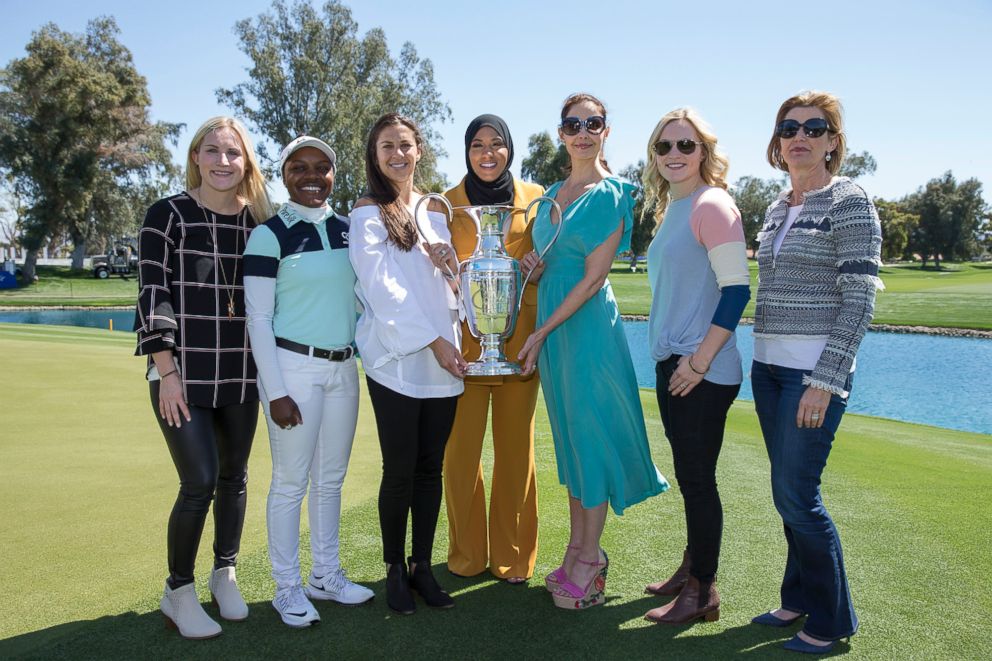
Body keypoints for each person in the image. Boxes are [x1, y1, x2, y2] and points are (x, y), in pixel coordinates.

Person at [517, 93, 668, 610]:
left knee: (593, 438)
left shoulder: (612, 194)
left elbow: (593, 277)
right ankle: (578, 550)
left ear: (607, 131)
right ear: (561, 132)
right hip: (554, 322)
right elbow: (551, 264)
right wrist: (532, 268)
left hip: (585, 328)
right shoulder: (553, 191)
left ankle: (591, 558)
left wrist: (539, 333)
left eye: (593, 123)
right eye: (572, 124)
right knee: (572, 441)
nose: (582, 132)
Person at [749, 91, 882, 654]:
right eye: (789, 127)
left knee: (798, 495)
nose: (799, 135)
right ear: (778, 143)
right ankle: (797, 597)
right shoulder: (779, 206)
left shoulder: (850, 202)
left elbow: (859, 300)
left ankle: (830, 622)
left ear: (832, 140)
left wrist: (826, 381)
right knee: (787, 494)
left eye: (813, 126)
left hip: (811, 374)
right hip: (768, 368)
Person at [134, 116, 274, 640]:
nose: (222, 162)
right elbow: (153, 294)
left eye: (232, 153)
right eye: (211, 151)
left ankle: (225, 573)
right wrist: (166, 372)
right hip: (181, 372)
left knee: (233, 478)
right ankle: (178, 591)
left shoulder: (260, 223)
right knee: (198, 482)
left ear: (246, 162)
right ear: (195, 156)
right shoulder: (166, 216)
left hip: (240, 372)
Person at [244, 136, 374, 628]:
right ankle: (286, 586)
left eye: (322, 167)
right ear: (285, 175)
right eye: (300, 168)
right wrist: (275, 391)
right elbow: (258, 319)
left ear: (335, 174)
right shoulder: (269, 235)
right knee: (291, 482)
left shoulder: (348, 230)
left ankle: (326, 574)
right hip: (292, 370)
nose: (312, 176)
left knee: (331, 480)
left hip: (344, 368)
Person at [349, 113, 467, 615]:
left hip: (442, 357)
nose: (397, 154)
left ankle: (423, 566)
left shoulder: (434, 210)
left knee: (429, 469)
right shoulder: (367, 211)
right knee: (398, 469)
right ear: (375, 157)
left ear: (419, 149)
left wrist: (451, 266)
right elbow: (383, 289)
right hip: (396, 361)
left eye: (404, 145)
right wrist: (436, 342)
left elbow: (446, 290)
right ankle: (394, 568)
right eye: (385, 148)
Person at [638, 109, 751, 624]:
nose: (675, 155)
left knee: (699, 480)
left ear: (703, 150)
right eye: (665, 147)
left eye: (686, 145)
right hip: (677, 363)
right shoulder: (675, 208)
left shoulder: (712, 205)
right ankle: (691, 568)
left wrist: (699, 361)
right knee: (691, 477)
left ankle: (703, 592)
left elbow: (737, 292)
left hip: (701, 369)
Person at [442, 114, 544, 584]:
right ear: (466, 150)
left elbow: (550, 264)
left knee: (515, 454)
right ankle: (467, 554)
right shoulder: (444, 204)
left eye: (496, 144)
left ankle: (513, 557)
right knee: (459, 456)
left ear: (509, 149)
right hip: (461, 353)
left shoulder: (536, 199)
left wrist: (539, 267)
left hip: (519, 348)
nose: (487, 153)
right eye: (477, 144)